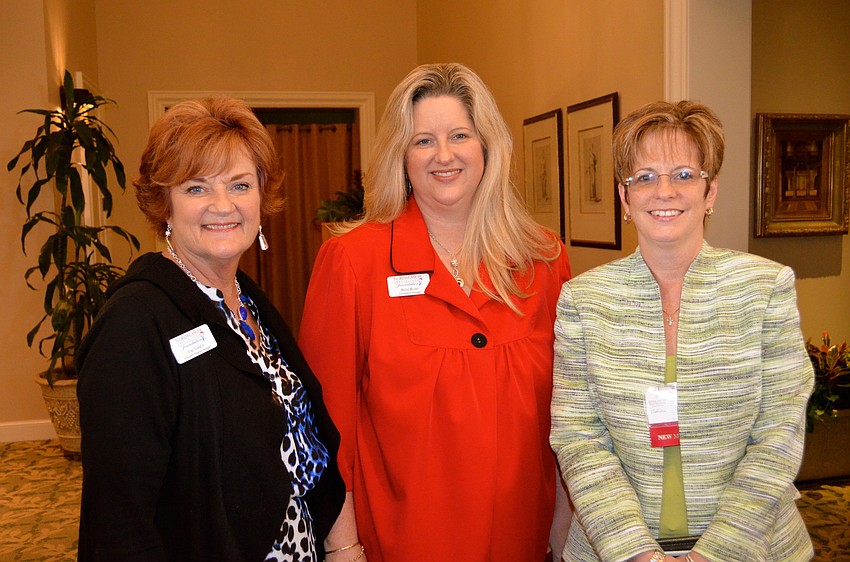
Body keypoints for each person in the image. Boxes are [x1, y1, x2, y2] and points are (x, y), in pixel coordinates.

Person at [298, 63, 573, 562]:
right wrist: (343, 546)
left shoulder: (544, 261)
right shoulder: (353, 262)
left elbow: (568, 414)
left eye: (459, 136)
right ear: (401, 155)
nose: (443, 155)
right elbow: (324, 426)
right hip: (403, 542)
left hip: (522, 541)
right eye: (423, 141)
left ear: (487, 145)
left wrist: (563, 535)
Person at [77, 96, 345, 561]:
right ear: (164, 204)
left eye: (240, 185)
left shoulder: (247, 300)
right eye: (197, 188)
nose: (223, 206)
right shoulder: (134, 324)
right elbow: (120, 522)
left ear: (261, 196)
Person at [550, 100, 814, 562]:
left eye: (684, 175)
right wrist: (636, 554)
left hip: (755, 548)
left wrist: (715, 555)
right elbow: (579, 438)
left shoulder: (765, 287)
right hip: (615, 551)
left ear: (710, 192)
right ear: (624, 197)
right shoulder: (583, 300)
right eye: (645, 177)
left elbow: (779, 435)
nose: (664, 191)